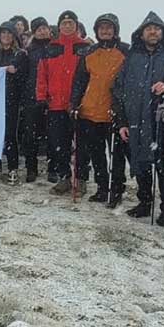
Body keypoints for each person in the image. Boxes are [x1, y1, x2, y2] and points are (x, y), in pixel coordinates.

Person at [114, 12, 164, 218]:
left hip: (162, 122)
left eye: (157, 28)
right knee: (140, 163)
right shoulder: (131, 58)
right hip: (135, 121)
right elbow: (118, 88)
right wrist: (122, 121)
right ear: (142, 33)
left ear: (163, 32)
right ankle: (145, 202)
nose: (153, 32)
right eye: (149, 29)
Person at [68, 13, 127, 203]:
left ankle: (116, 189)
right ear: (96, 31)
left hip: (114, 114)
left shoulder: (126, 52)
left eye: (109, 27)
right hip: (90, 112)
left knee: (116, 156)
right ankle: (102, 187)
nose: (105, 31)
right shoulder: (89, 53)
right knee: (97, 154)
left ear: (115, 30)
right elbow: (79, 81)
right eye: (101, 28)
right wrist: (74, 103)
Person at [36, 10, 83, 191]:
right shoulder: (50, 48)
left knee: (81, 144)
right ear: (59, 26)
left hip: (78, 104)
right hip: (55, 104)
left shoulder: (85, 47)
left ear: (76, 26)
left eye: (71, 23)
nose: (68, 26)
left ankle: (80, 179)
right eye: (64, 23)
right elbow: (42, 75)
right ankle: (64, 177)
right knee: (58, 143)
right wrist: (41, 96)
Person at [0, 21, 29, 183]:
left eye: (9, 33)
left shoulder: (20, 55)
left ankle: (12, 167)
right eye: (3, 33)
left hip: (12, 99)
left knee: (10, 134)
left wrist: (15, 73)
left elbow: (25, 77)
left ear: (14, 36)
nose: (6, 36)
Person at [22, 17, 52, 183]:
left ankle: (52, 168)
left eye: (44, 28)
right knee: (30, 135)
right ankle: (31, 168)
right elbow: (24, 74)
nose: (42, 31)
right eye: (39, 29)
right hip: (32, 97)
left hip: (52, 97)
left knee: (52, 136)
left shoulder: (56, 47)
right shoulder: (28, 51)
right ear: (34, 32)